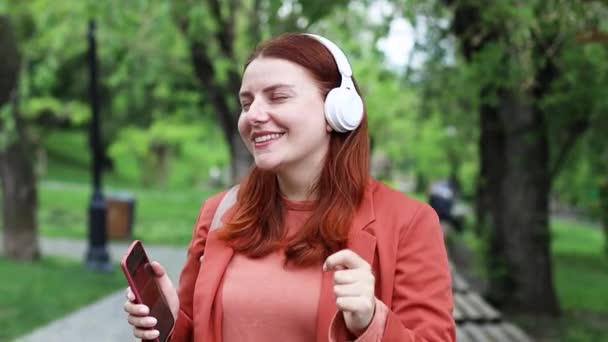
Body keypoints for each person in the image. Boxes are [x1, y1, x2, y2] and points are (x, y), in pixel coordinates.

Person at [123, 32, 455, 342]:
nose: (254, 114)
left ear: (337, 110)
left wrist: (371, 322)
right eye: (246, 102)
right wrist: (166, 322)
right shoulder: (220, 213)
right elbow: (196, 332)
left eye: (278, 97)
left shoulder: (408, 222)